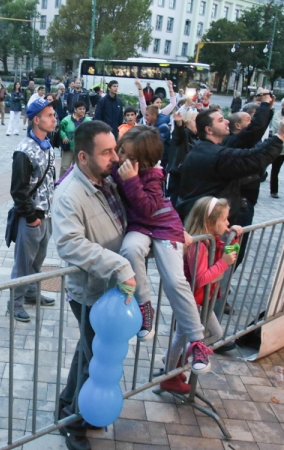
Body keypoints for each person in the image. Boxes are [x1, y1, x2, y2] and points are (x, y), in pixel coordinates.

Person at [52, 120, 135, 450]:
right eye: (107, 152)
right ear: (83, 156)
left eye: (115, 148)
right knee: (92, 358)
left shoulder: (107, 179)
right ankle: (74, 421)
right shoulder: (69, 194)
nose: (116, 156)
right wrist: (120, 264)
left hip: (110, 289)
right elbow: (70, 244)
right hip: (89, 292)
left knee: (89, 354)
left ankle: (69, 407)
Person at [111, 126, 213, 389]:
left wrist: (132, 180)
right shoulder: (119, 165)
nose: (120, 156)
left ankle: (197, 341)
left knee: (175, 280)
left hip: (164, 226)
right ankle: (145, 307)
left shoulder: (154, 174)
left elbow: (148, 208)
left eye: (127, 154)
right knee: (130, 251)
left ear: (142, 160)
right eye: (120, 150)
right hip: (139, 228)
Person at [175, 109, 284, 221]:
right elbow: (254, 159)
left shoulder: (203, 149)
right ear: (209, 130)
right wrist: (280, 136)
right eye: (220, 120)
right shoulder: (216, 154)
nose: (227, 121)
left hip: (201, 216)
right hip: (209, 221)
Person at [177, 197, 241, 389]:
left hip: (201, 301)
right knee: (180, 339)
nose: (227, 223)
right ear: (210, 223)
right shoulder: (199, 245)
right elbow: (201, 278)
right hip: (191, 301)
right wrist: (224, 263)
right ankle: (171, 372)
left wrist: (234, 235)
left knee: (214, 333)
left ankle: (175, 364)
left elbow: (224, 246)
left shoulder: (210, 239)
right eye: (224, 220)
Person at [8, 99, 57, 322]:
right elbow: (18, 191)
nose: (54, 119)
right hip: (31, 218)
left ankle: (31, 294)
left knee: (38, 261)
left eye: (54, 115)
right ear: (36, 120)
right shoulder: (24, 151)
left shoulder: (47, 144)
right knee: (23, 264)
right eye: (49, 115)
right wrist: (31, 218)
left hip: (46, 215)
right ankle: (15, 302)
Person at [166, 110, 198, 206]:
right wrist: (179, 123)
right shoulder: (185, 133)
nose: (199, 123)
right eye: (196, 120)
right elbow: (178, 134)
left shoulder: (197, 136)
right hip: (179, 174)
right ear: (188, 121)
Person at [59, 102, 91, 177]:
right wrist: (63, 136)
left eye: (83, 109)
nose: (82, 111)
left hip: (81, 149)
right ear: (75, 110)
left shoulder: (88, 121)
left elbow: (91, 133)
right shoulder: (66, 120)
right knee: (64, 167)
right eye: (80, 109)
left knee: (77, 168)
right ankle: (60, 183)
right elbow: (60, 129)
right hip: (69, 147)